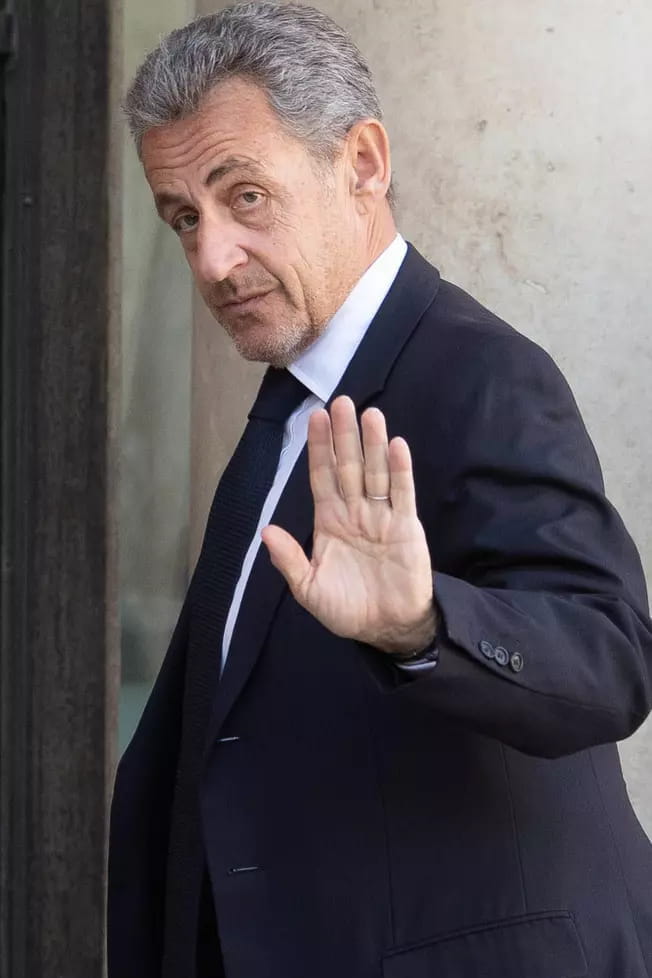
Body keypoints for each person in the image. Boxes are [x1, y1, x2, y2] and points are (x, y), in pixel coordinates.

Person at [108, 3, 652, 976]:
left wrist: (420, 624)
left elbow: (608, 660)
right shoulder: (293, 401)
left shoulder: (477, 374)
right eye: (184, 217)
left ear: (361, 163)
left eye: (245, 197)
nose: (212, 259)